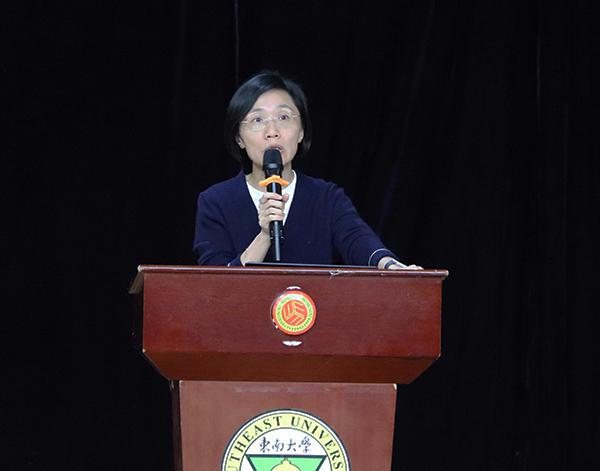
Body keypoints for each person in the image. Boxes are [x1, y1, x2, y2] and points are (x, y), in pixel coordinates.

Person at [194, 71, 417, 269]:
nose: (272, 131)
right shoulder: (216, 201)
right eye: (257, 119)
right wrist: (264, 236)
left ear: (301, 132)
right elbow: (214, 284)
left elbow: (358, 241)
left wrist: (391, 266)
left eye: (283, 117)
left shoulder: (326, 198)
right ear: (239, 138)